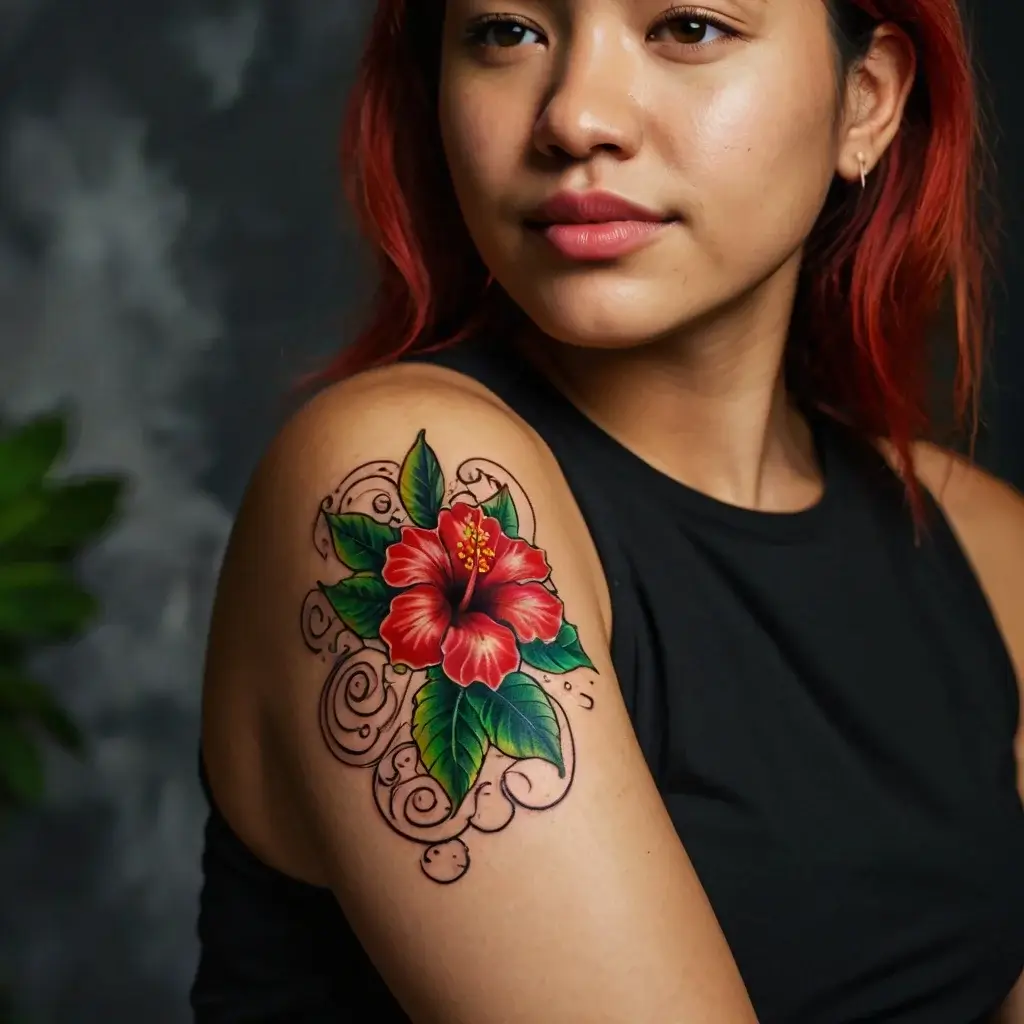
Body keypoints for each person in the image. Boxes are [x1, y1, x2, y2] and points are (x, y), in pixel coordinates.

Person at [192, 1, 1024, 1021]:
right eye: (506, 30)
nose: (576, 116)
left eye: (687, 26)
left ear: (867, 100)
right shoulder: (419, 494)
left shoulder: (985, 550)